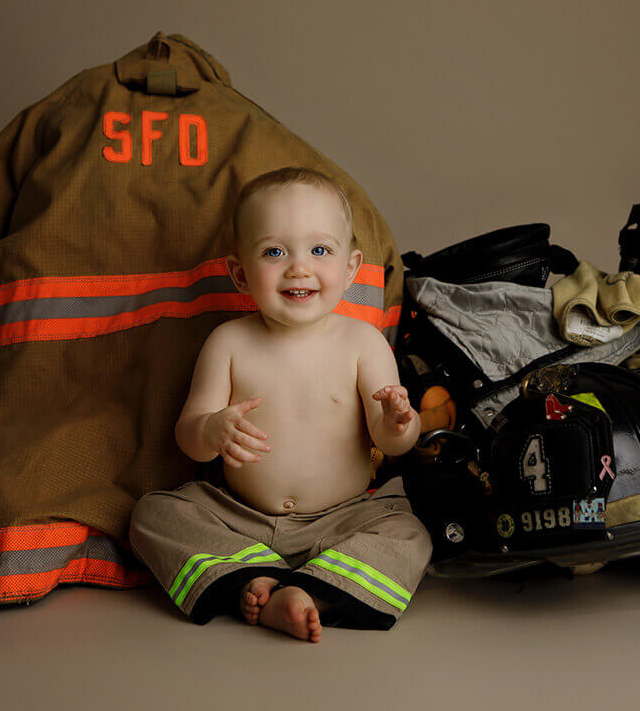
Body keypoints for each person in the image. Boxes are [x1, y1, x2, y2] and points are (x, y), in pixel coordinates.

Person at [129, 167, 432, 642]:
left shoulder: (363, 342)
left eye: (319, 250)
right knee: (153, 515)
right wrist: (210, 430)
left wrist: (400, 421)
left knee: (410, 533)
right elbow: (190, 438)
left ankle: (306, 593)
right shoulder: (228, 342)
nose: (298, 267)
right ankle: (261, 580)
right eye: (274, 252)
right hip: (239, 516)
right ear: (240, 273)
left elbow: (388, 439)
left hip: (343, 517)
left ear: (350, 268)